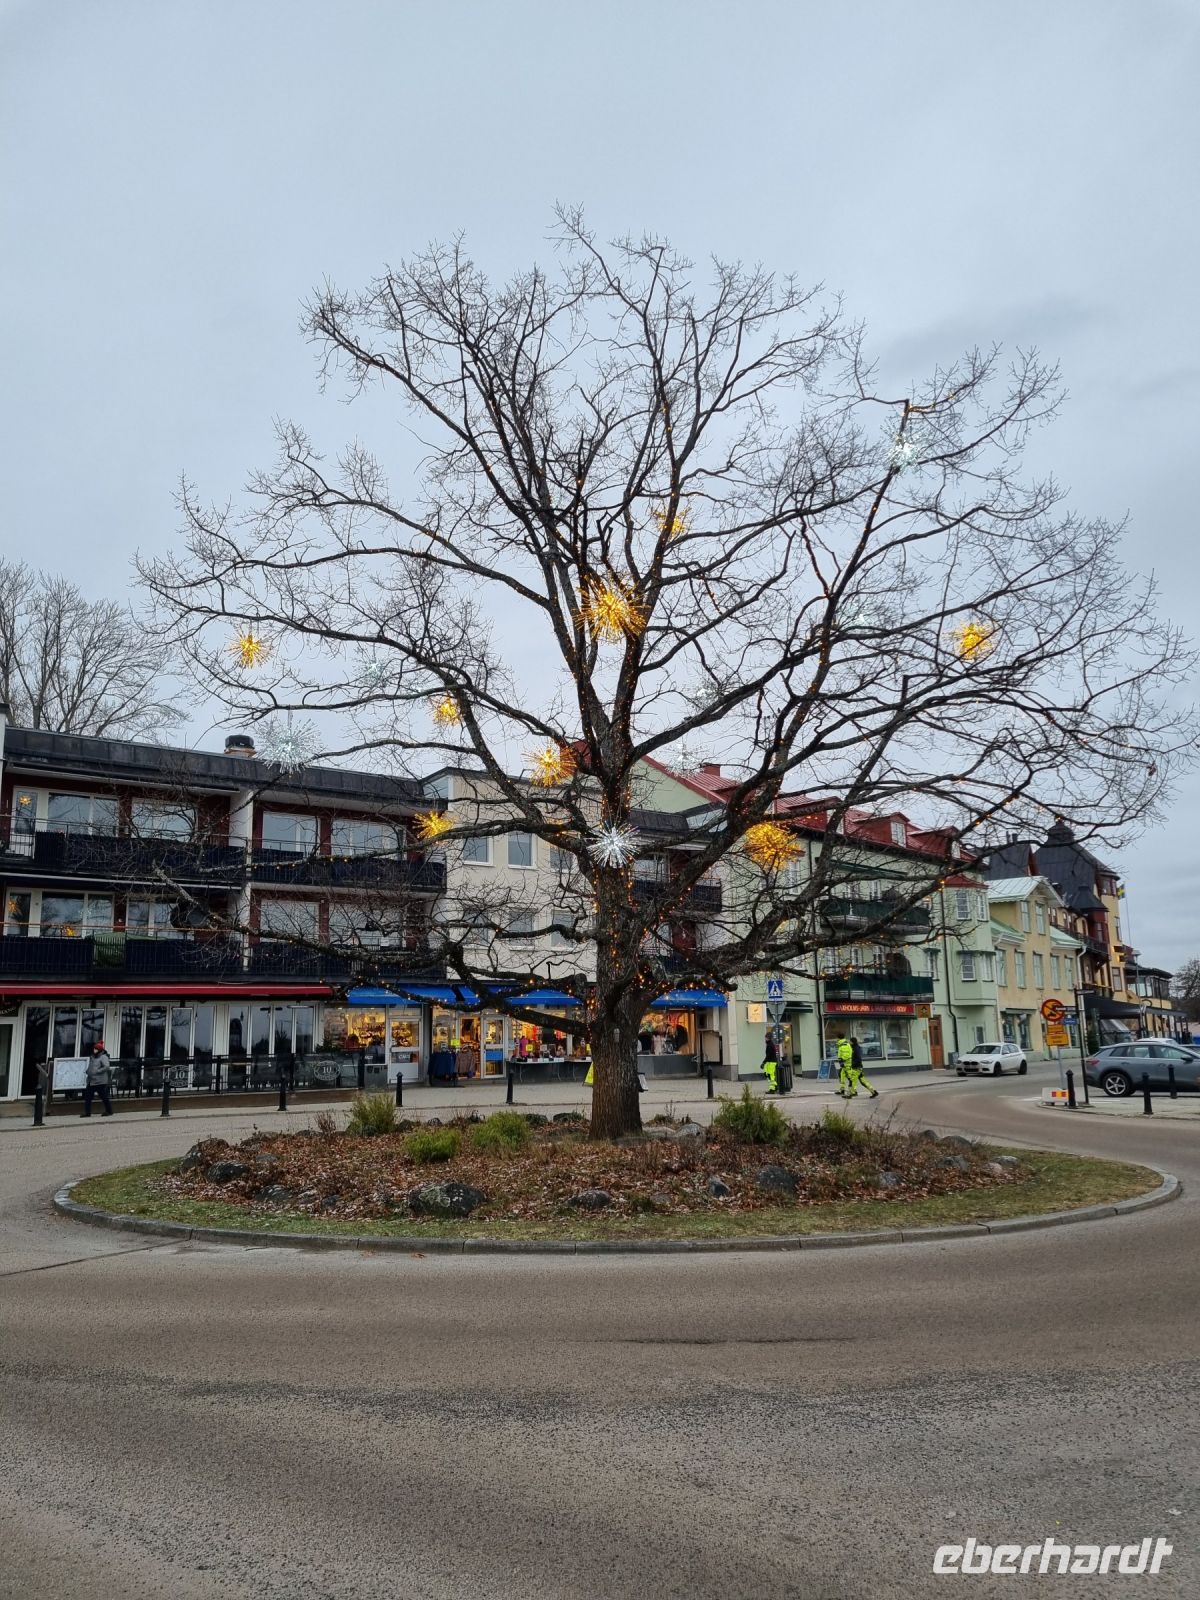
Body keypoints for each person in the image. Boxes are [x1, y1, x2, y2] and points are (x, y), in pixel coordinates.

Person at [836, 1034, 879, 1100]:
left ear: (852, 1042)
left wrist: (853, 1064)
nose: (849, 1042)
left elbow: (858, 1059)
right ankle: (873, 1092)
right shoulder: (854, 1048)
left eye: (850, 1041)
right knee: (863, 1081)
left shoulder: (855, 1049)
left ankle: (850, 1094)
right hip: (858, 1067)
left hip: (856, 1068)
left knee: (852, 1081)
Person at [81, 1040, 114, 1118]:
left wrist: (98, 1071)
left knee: (104, 1096)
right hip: (91, 1080)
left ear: (99, 1050)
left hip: (100, 1081)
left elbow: (106, 1067)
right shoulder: (92, 1057)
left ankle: (109, 1111)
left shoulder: (103, 1057)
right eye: (94, 1049)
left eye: (96, 1049)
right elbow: (91, 1067)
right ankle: (87, 1113)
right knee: (88, 1097)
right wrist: (88, 1071)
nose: (94, 1050)